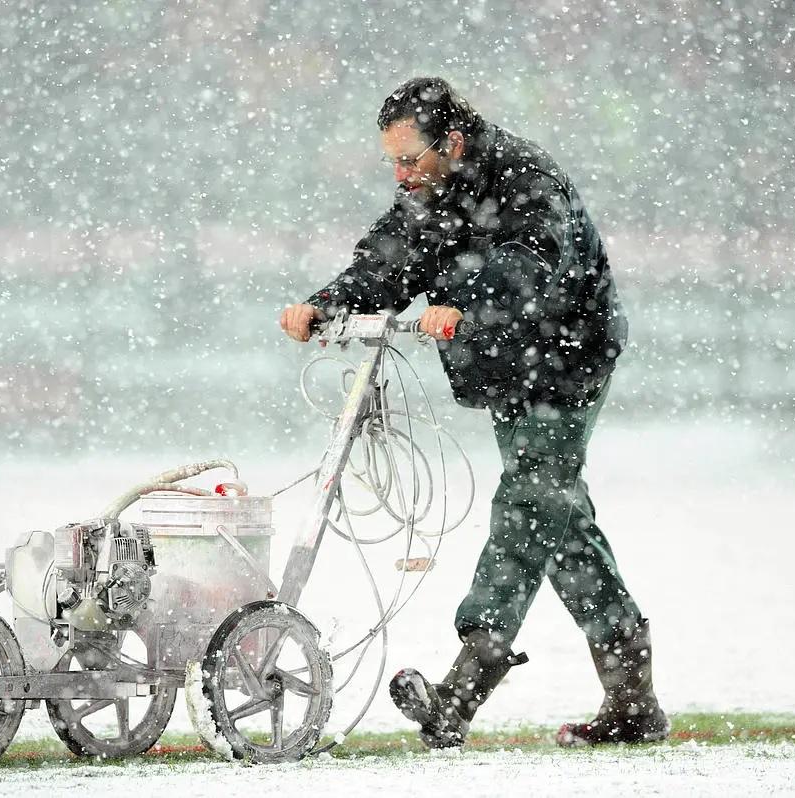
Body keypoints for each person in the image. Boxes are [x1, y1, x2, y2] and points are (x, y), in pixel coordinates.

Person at [279, 77, 669, 749]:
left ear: (452, 142)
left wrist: (470, 304)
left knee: (527, 505)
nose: (400, 176)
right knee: (556, 517)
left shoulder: (525, 175)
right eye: (392, 163)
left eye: (409, 159)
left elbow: (535, 264)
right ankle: (633, 699)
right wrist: (329, 302)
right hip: (510, 368)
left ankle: (461, 693)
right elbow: (389, 261)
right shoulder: (430, 193)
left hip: (567, 359)